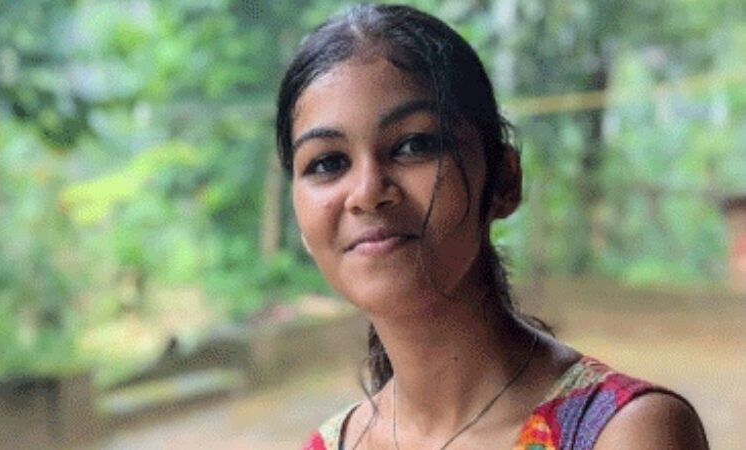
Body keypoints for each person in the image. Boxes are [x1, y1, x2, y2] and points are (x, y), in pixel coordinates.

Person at [276, 4, 708, 450]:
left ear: (504, 180)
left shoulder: (624, 433)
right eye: (327, 163)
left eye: (414, 145)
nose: (367, 192)